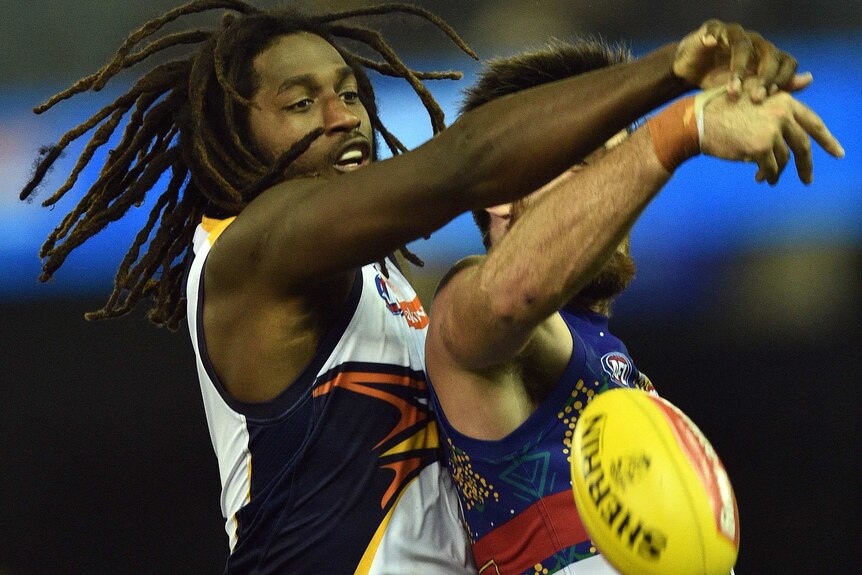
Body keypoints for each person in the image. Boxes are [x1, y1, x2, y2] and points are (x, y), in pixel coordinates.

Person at [19, 0, 823, 572]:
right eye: (301, 103)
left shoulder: (369, 277)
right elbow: (469, 165)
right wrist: (672, 81)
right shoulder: (253, 254)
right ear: (233, 138)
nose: (342, 115)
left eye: (348, 91)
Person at [424, 38, 844, 575]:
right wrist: (679, 130)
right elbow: (512, 297)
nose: (617, 189)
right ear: (501, 193)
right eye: (584, 164)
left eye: (617, 160)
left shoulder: (608, 358)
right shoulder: (470, 301)